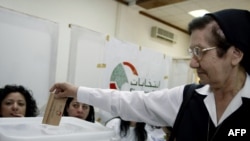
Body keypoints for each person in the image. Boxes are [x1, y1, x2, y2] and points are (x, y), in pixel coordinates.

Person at [50, 9, 250, 141]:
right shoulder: (186, 99)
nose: (192, 62)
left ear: (235, 55)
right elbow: (130, 102)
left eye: (200, 51)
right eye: (191, 52)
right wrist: (77, 91)